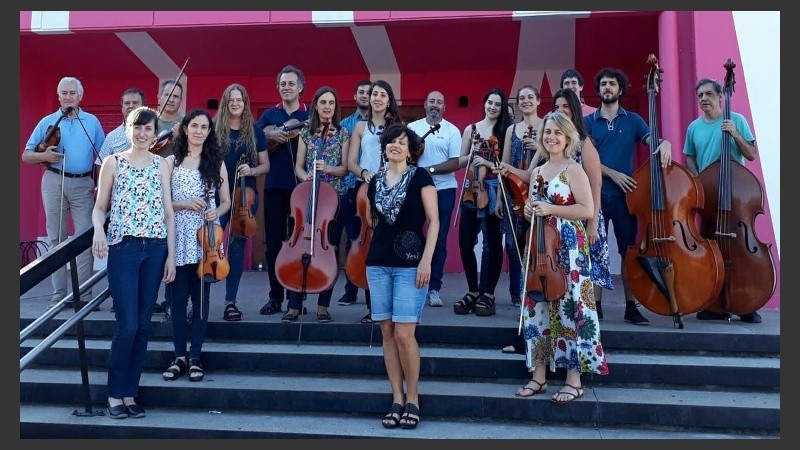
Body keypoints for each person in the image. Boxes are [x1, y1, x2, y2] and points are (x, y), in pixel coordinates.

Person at [516, 111, 608, 403]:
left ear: (568, 137)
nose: (551, 137)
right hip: (541, 247)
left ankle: (574, 380)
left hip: (569, 247)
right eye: (547, 132)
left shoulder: (573, 169)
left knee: (572, 309)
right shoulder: (539, 171)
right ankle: (539, 377)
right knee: (537, 309)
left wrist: (551, 209)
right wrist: (529, 211)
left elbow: (587, 209)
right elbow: (532, 207)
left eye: (557, 132)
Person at [91, 106, 176, 419]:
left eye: (148, 129)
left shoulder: (162, 165)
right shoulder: (113, 163)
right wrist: (99, 230)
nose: (142, 134)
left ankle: (130, 393)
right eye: (136, 128)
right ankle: (114, 395)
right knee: (127, 325)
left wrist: (171, 256)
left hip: (155, 250)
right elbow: (100, 208)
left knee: (142, 326)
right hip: (123, 250)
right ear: (127, 129)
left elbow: (168, 212)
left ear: (155, 132)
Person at [584, 67, 672, 326]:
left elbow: (652, 141)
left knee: (628, 251)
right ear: (598, 90)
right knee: (596, 250)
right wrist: (613, 173)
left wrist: (664, 143)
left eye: (612, 83)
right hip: (597, 194)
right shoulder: (589, 122)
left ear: (620, 89)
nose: (607, 88)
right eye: (603, 84)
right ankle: (595, 305)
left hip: (626, 198)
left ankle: (630, 306)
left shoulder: (633, 120)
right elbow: (585, 159)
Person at [365, 122, 439, 430]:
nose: (395, 145)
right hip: (378, 262)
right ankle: (396, 396)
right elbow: (373, 222)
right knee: (386, 333)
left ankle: (413, 398)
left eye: (401, 141)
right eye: (390, 141)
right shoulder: (374, 182)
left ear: (410, 150)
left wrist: (427, 261)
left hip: (411, 264)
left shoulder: (421, 177)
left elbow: (434, 222)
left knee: (404, 335)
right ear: (384, 148)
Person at [22, 76, 105, 309]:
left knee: (84, 238)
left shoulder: (92, 122)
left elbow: (103, 158)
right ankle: (58, 295)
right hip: (54, 181)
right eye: (64, 93)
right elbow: (27, 155)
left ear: (80, 97)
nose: (68, 97)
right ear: (59, 96)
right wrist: (44, 157)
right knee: (56, 238)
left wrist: (100, 185)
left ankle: (86, 296)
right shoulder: (48, 122)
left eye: (73, 93)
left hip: (82, 184)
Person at [684, 78, 762, 324]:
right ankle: (712, 303)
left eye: (708, 94)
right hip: (708, 195)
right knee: (710, 250)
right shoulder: (694, 127)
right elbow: (689, 157)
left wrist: (734, 133)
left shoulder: (736, 120)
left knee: (740, 251)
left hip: (736, 197)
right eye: (699, 95)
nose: (703, 99)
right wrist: (698, 179)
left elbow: (750, 154)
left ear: (721, 96)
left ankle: (746, 304)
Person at [161, 109, 231, 383]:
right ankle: (179, 356)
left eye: (205, 127)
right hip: (177, 238)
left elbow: (225, 200)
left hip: (206, 242)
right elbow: (163, 203)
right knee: (177, 302)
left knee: (201, 304)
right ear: (185, 129)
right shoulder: (171, 162)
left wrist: (217, 212)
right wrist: (184, 204)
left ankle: (196, 357)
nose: (200, 131)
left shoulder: (216, 163)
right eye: (195, 126)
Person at [285, 86, 351, 323]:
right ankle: (294, 304)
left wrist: (329, 169)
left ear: (335, 107)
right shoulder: (306, 132)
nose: (327, 107)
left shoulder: (343, 133)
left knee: (328, 249)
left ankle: (323, 305)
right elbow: (298, 166)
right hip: (309, 195)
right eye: (322, 102)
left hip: (334, 198)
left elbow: (345, 168)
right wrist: (305, 177)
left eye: (331, 103)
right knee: (299, 247)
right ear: (315, 105)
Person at [452, 88, 512, 317]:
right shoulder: (471, 129)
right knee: (466, 242)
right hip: (472, 190)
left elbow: (504, 165)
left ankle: (488, 294)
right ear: (484, 104)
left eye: (497, 104)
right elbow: (460, 161)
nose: (493, 107)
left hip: (494, 190)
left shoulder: (505, 131)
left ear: (502, 107)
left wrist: (487, 161)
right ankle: (472, 290)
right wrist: (473, 156)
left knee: (492, 244)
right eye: (490, 103)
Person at [347, 80, 403, 323]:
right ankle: (374, 308)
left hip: (392, 188)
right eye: (374, 94)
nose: (377, 98)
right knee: (370, 248)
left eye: (382, 94)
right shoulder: (360, 127)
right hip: (366, 187)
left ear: (389, 100)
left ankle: (395, 304)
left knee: (390, 246)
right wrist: (364, 174)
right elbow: (351, 163)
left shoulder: (398, 127)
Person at [256, 65, 310, 316]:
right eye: (282, 84)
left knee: (299, 244)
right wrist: (274, 134)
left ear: (300, 87)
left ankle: (296, 300)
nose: (286, 87)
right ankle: (275, 297)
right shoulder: (268, 115)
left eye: (291, 83)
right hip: (275, 187)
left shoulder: (309, 114)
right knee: (273, 245)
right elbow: (257, 138)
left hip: (302, 189)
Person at [215, 83, 269, 322]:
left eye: (240, 100)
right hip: (217, 195)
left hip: (244, 198)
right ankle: (199, 301)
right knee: (207, 246)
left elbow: (265, 165)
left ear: (245, 104)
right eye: (231, 100)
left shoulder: (255, 131)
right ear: (225, 103)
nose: (235, 103)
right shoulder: (215, 131)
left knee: (236, 249)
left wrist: (252, 168)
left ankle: (230, 302)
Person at [408, 90, 462, 308]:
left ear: (444, 107)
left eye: (439, 102)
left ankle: (434, 289)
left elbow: (455, 162)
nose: (435, 105)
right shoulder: (413, 129)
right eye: (432, 101)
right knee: (412, 235)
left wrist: (428, 170)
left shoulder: (452, 130)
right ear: (425, 104)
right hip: (416, 189)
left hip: (444, 190)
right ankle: (412, 285)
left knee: (438, 239)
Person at [493, 85, 543, 307]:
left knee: (537, 245)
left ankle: (538, 291)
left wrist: (539, 146)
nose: (526, 101)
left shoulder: (546, 127)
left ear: (538, 101)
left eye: (530, 97)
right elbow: (504, 165)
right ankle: (518, 292)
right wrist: (499, 198)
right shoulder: (512, 130)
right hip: (514, 194)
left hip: (540, 193)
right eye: (522, 98)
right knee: (513, 246)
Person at [336, 79, 372, 311]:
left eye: (369, 93)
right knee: (352, 239)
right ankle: (350, 289)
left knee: (371, 240)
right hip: (350, 186)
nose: (365, 96)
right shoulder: (346, 124)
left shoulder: (382, 124)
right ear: (355, 95)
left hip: (372, 187)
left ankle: (371, 290)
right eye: (361, 92)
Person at [152, 78, 186, 317]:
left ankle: (170, 299)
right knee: (154, 243)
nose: (171, 99)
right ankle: (149, 298)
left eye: (176, 96)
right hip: (151, 186)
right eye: (167, 95)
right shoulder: (149, 121)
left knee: (174, 243)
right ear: (159, 97)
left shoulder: (185, 124)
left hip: (177, 187)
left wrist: (179, 138)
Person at [97, 88, 146, 163]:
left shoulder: (152, 133)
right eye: (127, 103)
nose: (131, 106)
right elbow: (100, 163)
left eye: (135, 103)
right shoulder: (112, 136)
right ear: (122, 108)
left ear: (143, 107)